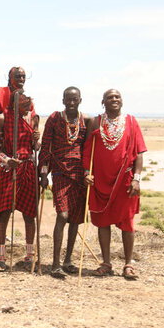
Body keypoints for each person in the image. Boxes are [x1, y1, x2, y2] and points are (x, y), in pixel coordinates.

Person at [84, 89, 146, 280]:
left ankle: (128, 264)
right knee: (103, 222)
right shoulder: (96, 122)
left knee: (127, 222)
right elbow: (87, 151)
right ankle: (106, 263)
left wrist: (136, 178)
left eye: (117, 97)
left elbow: (139, 153)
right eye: (110, 97)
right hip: (100, 180)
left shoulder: (131, 122)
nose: (114, 100)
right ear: (103, 102)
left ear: (122, 100)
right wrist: (87, 172)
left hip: (125, 181)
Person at [38, 87, 91, 278]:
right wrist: (44, 173)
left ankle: (68, 260)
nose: (71, 102)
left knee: (75, 219)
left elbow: (89, 149)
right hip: (60, 171)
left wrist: (88, 173)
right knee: (63, 215)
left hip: (79, 175)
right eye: (68, 99)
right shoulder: (54, 118)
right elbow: (45, 146)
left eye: (74, 99)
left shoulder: (86, 121)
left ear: (80, 100)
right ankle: (55, 263)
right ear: (63, 100)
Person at [0, 66, 34, 242]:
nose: (21, 79)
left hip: (20, 154)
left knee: (23, 202)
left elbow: (30, 123)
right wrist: (3, 122)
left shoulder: (27, 100)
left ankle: (9, 238)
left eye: (23, 76)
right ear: (10, 77)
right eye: (17, 76)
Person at [0, 91, 40, 272]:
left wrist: (37, 142)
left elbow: (35, 147)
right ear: (14, 104)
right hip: (9, 168)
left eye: (29, 102)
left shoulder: (33, 119)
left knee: (29, 214)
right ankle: (1, 257)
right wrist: (7, 160)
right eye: (24, 103)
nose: (28, 105)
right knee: (3, 213)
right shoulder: (2, 119)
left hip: (28, 168)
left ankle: (29, 256)